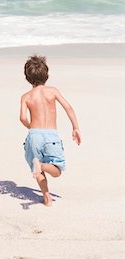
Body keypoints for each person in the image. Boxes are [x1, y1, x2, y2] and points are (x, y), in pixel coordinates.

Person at [20, 55, 81, 206]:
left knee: (37, 166)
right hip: (50, 135)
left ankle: (47, 198)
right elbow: (68, 107)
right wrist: (75, 127)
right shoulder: (52, 91)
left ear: (27, 77)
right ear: (46, 74)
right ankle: (41, 166)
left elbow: (22, 117)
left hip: (34, 135)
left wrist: (31, 128)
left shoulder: (26, 96)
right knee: (57, 170)